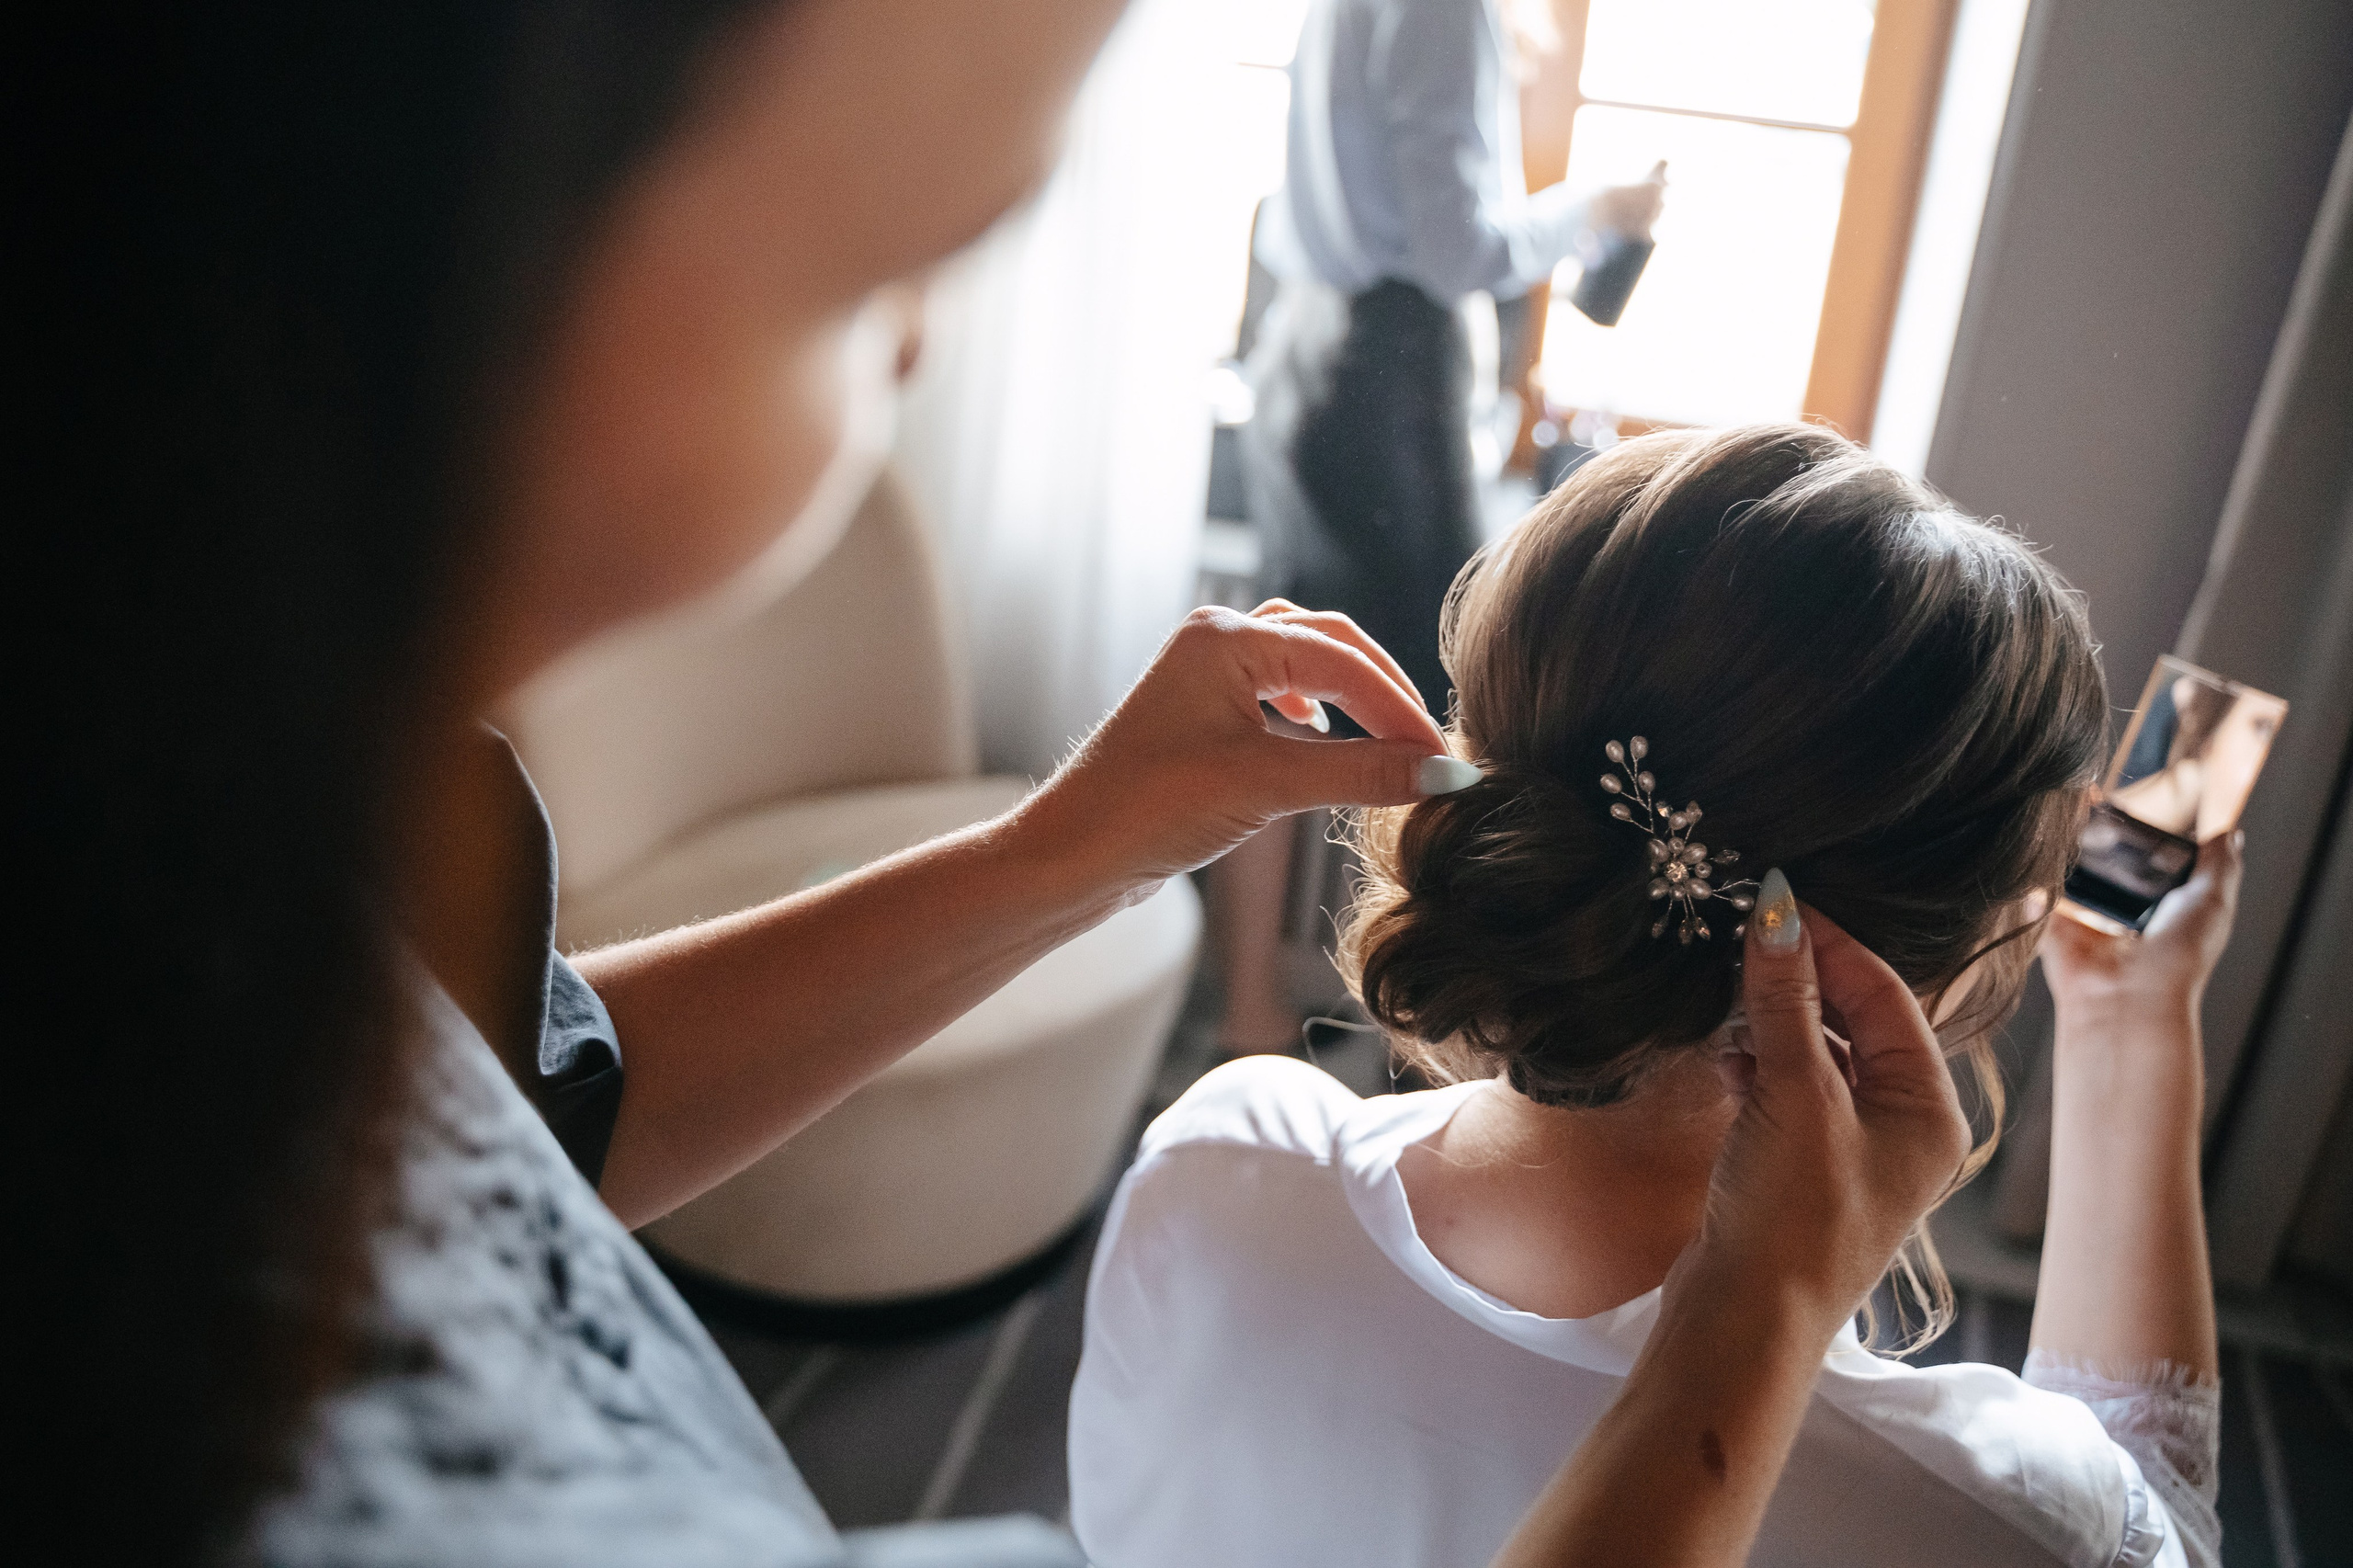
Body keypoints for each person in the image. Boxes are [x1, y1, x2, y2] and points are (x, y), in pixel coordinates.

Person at [24, 4, 1986, 1565]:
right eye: (889, 265)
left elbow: (515, 1120)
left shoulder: (228, 845)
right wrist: (1748, 1331)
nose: (905, 361)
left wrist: (1065, 850)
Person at [1071, 424, 2236, 1568]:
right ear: (1932, 962)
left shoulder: (1219, 1165)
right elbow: (2161, 1522)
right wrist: (2133, 1021)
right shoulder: (2003, 1524)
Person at [1214, 0, 1666, 1054]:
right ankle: (1427, 1040)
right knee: (1445, 713)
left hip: (1302, 351)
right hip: (1384, 385)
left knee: (1286, 688)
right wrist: (1593, 204)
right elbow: (1458, 248)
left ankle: (1252, 1014)